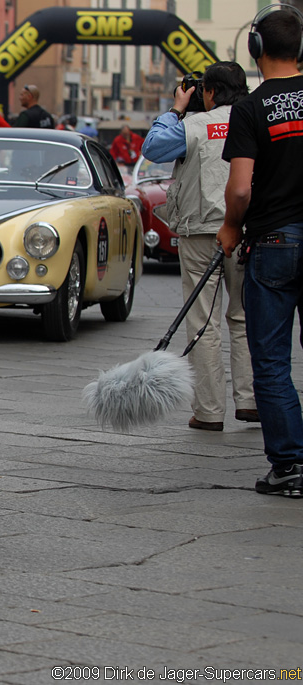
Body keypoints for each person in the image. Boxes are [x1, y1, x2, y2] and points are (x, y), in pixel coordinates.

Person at [142, 61, 256, 433]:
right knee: (244, 317)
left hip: (200, 231)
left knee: (203, 321)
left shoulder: (194, 125)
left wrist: (176, 108)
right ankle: (250, 400)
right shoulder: (255, 118)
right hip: (246, 230)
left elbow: (154, 147)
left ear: (208, 92)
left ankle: (208, 410)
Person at [217, 7, 303, 496]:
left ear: (255, 48)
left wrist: (231, 227)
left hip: (274, 241)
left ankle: (290, 466)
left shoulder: (250, 108)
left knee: (270, 359)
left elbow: (242, 188)